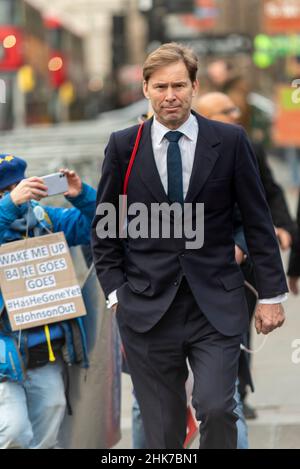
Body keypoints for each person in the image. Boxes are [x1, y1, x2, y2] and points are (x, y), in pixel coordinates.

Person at [92, 43, 287, 449]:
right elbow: (105, 229)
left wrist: (271, 295)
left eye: (179, 85)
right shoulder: (123, 146)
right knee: (162, 434)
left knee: (217, 407)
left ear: (195, 86)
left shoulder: (230, 141)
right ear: (145, 89)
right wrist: (116, 295)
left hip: (214, 303)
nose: (170, 95)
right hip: (146, 309)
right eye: (160, 86)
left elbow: (256, 220)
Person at [195, 91, 295, 421]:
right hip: (194, 267)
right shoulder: (187, 149)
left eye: (235, 108)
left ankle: (239, 390)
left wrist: (282, 226)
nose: (236, 114)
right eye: (226, 110)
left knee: (238, 331)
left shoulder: (246, 146)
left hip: (242, 263)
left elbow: (267, 194)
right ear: (205, 115)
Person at [0, 154, 96, 449]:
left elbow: (102, 226)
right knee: (14, 431)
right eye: (6, 189)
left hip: (46, 350)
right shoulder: (8, 211)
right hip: (4, 354)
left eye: (21, 184)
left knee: (48, 433)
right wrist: (8, 205)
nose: (19, 192)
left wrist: (83, 196)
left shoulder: (44, 217)